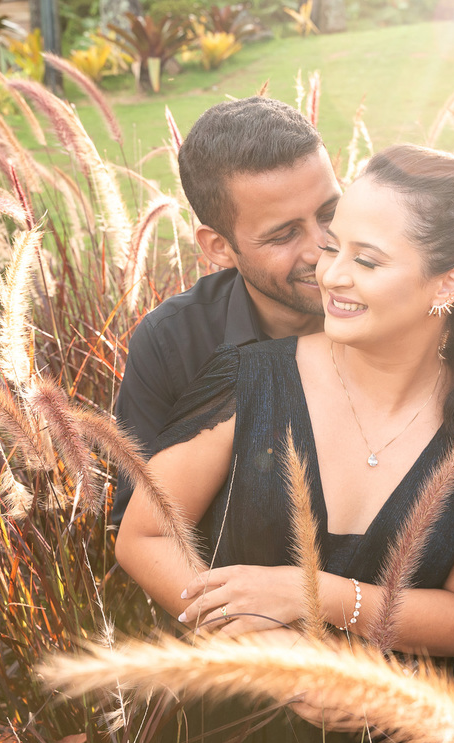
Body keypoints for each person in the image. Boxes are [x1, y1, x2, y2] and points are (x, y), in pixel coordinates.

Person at [117, 145, 454, 743]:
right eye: (334, 247)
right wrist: (271, 655)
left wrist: (315, 596)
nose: (332, 276)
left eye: (367, 260)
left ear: (448, 284)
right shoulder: (250, 380)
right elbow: (144, 536)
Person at [110, 96, 340, 527]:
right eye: (284, 234)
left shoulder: (395, 304)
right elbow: (144, 528)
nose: (322, 248)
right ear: (218, 247)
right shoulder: (172, 343)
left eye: (330, 212)